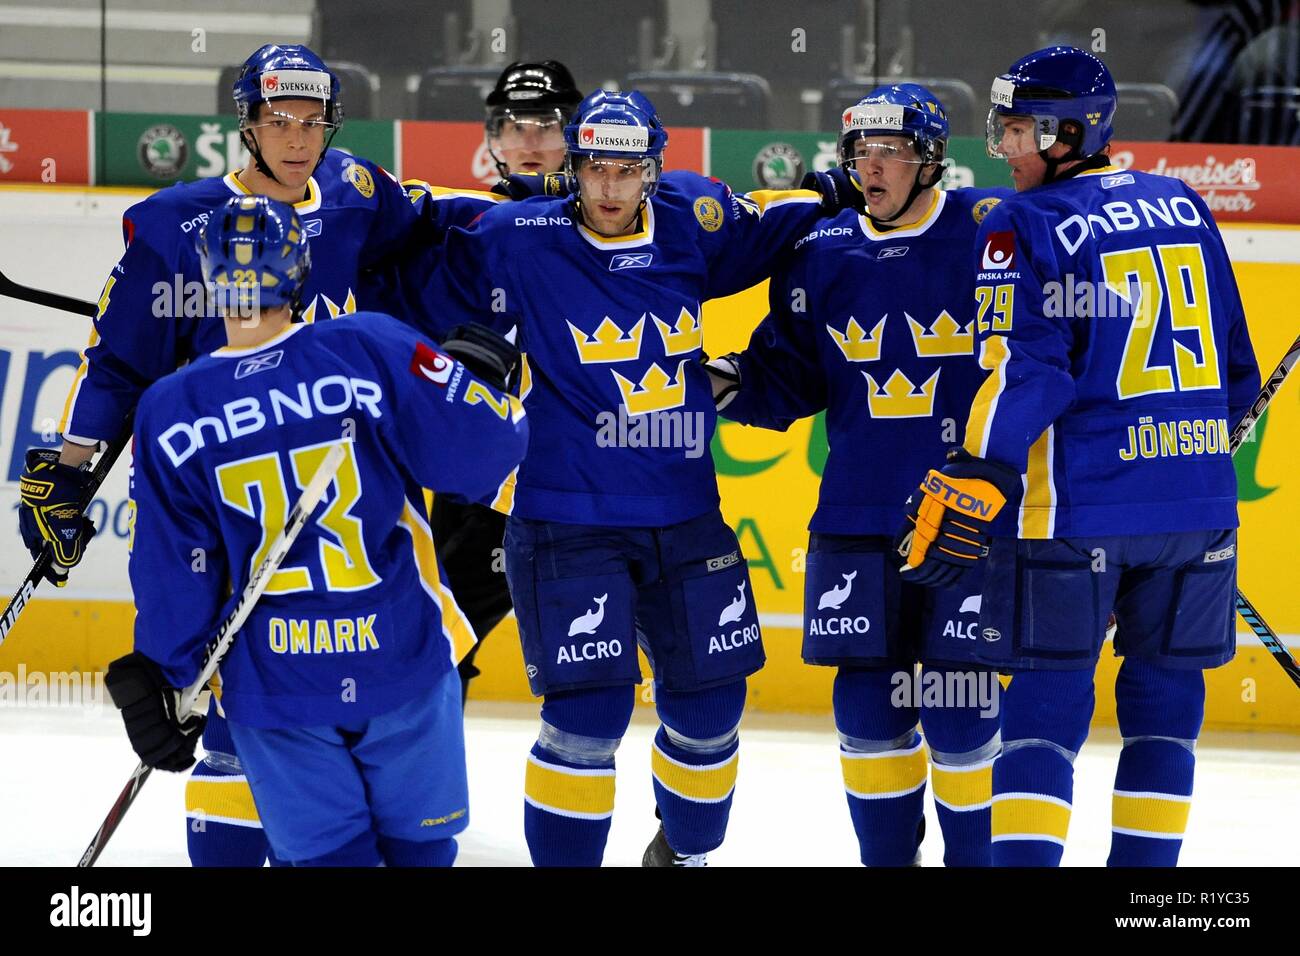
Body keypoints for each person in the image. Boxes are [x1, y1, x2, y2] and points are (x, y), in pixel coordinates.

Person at [17, 42, 500, 868]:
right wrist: (70, 466)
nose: (299, 138)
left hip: (346, 487)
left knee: (328, 694)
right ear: (246, 122)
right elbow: (119, 360)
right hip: (236, 503)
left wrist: (532, 219)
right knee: (242, 710)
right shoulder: (177, 224)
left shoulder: (354, 190)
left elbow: (428, 231)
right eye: (280, 120)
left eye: (314, 121)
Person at [407, 89, 859, 866]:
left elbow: (783, 218)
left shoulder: (694, 221)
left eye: (626, 170)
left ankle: (682, 856)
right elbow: (403, 240)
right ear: (571, 169)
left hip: (687, 516)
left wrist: (845, 184)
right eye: (592, 169)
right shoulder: (518, 235)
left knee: (713, 708)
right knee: (587, 718)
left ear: (654, 170)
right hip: (564, 518)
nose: (608, 189)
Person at [895, 46, 1260, 866]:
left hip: (1076, 508)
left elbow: (1023, 370)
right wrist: (1203, 444)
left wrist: (978, 467)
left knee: (1048, 703)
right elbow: (1237, 368)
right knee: (1168, 706)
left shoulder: (1020, 224)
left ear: (1070, 131)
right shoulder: (1183, 204)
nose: (1008, 147)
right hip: (1196, 507)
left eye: (1020, 129)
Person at [104, 195, 528, 867]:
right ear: (300, 270)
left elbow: (172, 571)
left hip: (276, 683)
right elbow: (485, 455)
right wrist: (476, 389)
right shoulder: (367, 344)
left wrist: (174, 675)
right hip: (402, 655)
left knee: (331, 861)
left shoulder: (169, 408)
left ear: (211, 278)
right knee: (422, 851)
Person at [707, 84, 1012, 866]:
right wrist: (718, 384)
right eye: (860, 153)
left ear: (934, 160)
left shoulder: (990, 240)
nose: (871, 169)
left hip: (971, 517)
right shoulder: (822, 249)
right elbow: (792, 371)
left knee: (960, 707)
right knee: (869, 706)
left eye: (892, 152)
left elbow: (1042, 365)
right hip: (855, 515)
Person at [436, 60, 585, 705]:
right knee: (437, 652)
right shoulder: (459, 228)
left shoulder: (635, 226)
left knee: (613, 670)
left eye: (546, 125)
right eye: (511, 125)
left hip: (602, 484)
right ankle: (422, 802)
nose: (528, 141)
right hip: (484, 487)